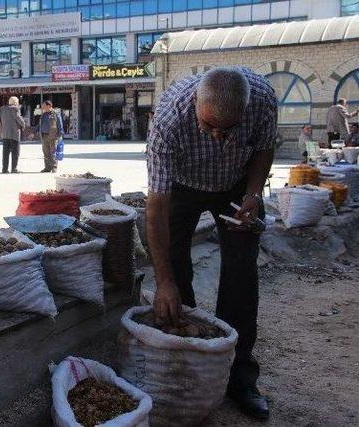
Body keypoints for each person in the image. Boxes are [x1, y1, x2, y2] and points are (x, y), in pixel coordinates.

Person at [145, 67, 277, 421]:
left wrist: (252, 193)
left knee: (241, 277)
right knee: (174, 272)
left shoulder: (263, 99)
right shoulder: (169, 119)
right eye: (208, 128)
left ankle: (239, 379)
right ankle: (187, 362)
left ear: (245, 111)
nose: (217, 136)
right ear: (195, 105)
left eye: (227, 129)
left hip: (236, 187)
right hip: (184, 187)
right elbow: (156, 205)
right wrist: (164, 282)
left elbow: (264, 149)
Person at [0, 96, 25, 174]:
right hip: (14, 134)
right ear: (16, 102)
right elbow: (18, 118)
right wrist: (23, 125)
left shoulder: (2, 108)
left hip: (5, 134)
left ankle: (4, 169)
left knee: (5, 152)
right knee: (15, 152)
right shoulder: (15, 109)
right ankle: (14, 168)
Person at [39, 100, 63, 173]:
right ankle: (47, 167)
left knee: (53, 152)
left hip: (53, 136)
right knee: (46, 152)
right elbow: (40, 125)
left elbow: (59, 123)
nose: (42, 107)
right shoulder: (43, 114)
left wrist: (60, 134)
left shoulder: (55, 113)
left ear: (49, 106)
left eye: (44, 106)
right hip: (44, 136)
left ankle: (54, 167)